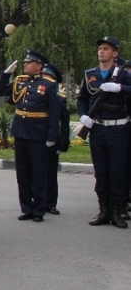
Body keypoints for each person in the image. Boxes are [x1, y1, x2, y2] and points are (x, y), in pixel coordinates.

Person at [0, 49, 60, 222]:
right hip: (21, 131)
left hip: (38, 133)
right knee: (22, 173)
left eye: (29, 62)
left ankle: (39, 210)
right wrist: (5, 74)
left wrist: (52, 136)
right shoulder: (19, 81)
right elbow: (0, 91)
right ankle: (26, 208)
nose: (25, 65)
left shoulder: (49, 84)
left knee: (39, 174)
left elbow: (54, 113)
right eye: (25, 62)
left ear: (39, 66)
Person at [77, 36, 131, 229]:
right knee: (101, 173)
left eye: (106, 49)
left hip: (118, 128)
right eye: (100, 48)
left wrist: (120, 88)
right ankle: (104, 211)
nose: (102, 51)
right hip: (98, 129)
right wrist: (83, 116)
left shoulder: (123, 74)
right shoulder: (90, 74)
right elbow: (82, 99)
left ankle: (117, 212)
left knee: (116, 172)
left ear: (115, 53)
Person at [42, 62, 71, 215]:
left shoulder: (59, 100)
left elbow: (64, 124)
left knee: (50, 173)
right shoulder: (37, 96)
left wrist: (63, 143)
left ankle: (51, 203)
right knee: (36, 172)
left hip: (52, 140)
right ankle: (38, 200)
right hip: (37, 138)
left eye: (48, 77)